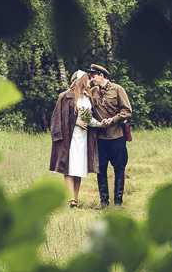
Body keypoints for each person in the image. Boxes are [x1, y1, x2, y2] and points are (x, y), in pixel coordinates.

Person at [49, 69, 104, 208]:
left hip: (83, 137)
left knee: (79, 167)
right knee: (68, 166)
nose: (90, 81)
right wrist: (76, 123)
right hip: (70, 137)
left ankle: (76, 198)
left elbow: (88, 118)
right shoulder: (65, 97)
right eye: (88, 79)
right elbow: (57, 119)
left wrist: (98, 124)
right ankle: (71, 199)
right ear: (81, 81)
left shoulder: (87, 97)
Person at [87, 64, 132, 209]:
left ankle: (118, 202)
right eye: (90, 76)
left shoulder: (117, 89)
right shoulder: (92, 92)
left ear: (101, 75)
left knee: (119, 168)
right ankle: (103, 200)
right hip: (100, 138)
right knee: (101, 169)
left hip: (116, 136)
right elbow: (87, 110)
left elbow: (127, 111)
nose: (92, 79)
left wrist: (112, 120)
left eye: (93, 76)